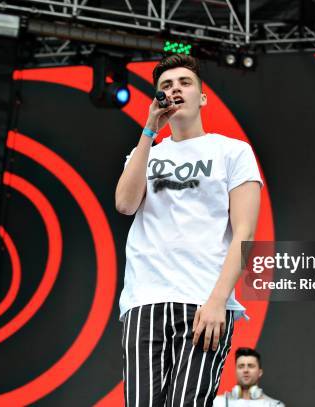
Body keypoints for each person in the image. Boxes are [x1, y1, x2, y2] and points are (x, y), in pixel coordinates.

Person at [115, 54, 263, 406]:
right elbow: (124, 204)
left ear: (202, 97)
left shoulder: (231, 151)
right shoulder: (144, 153)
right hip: (145, 301)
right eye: (166, 86)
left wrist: (218, 300)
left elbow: (245, 232)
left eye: (184, 83)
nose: (175, 90)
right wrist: (149, 129)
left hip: (203, 302)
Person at [213, 348, 285, 407]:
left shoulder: (275, 405)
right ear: (236, 371)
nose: (245, 370)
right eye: (241, 366)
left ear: (260, 372)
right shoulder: (217, 403)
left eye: (250, 366)